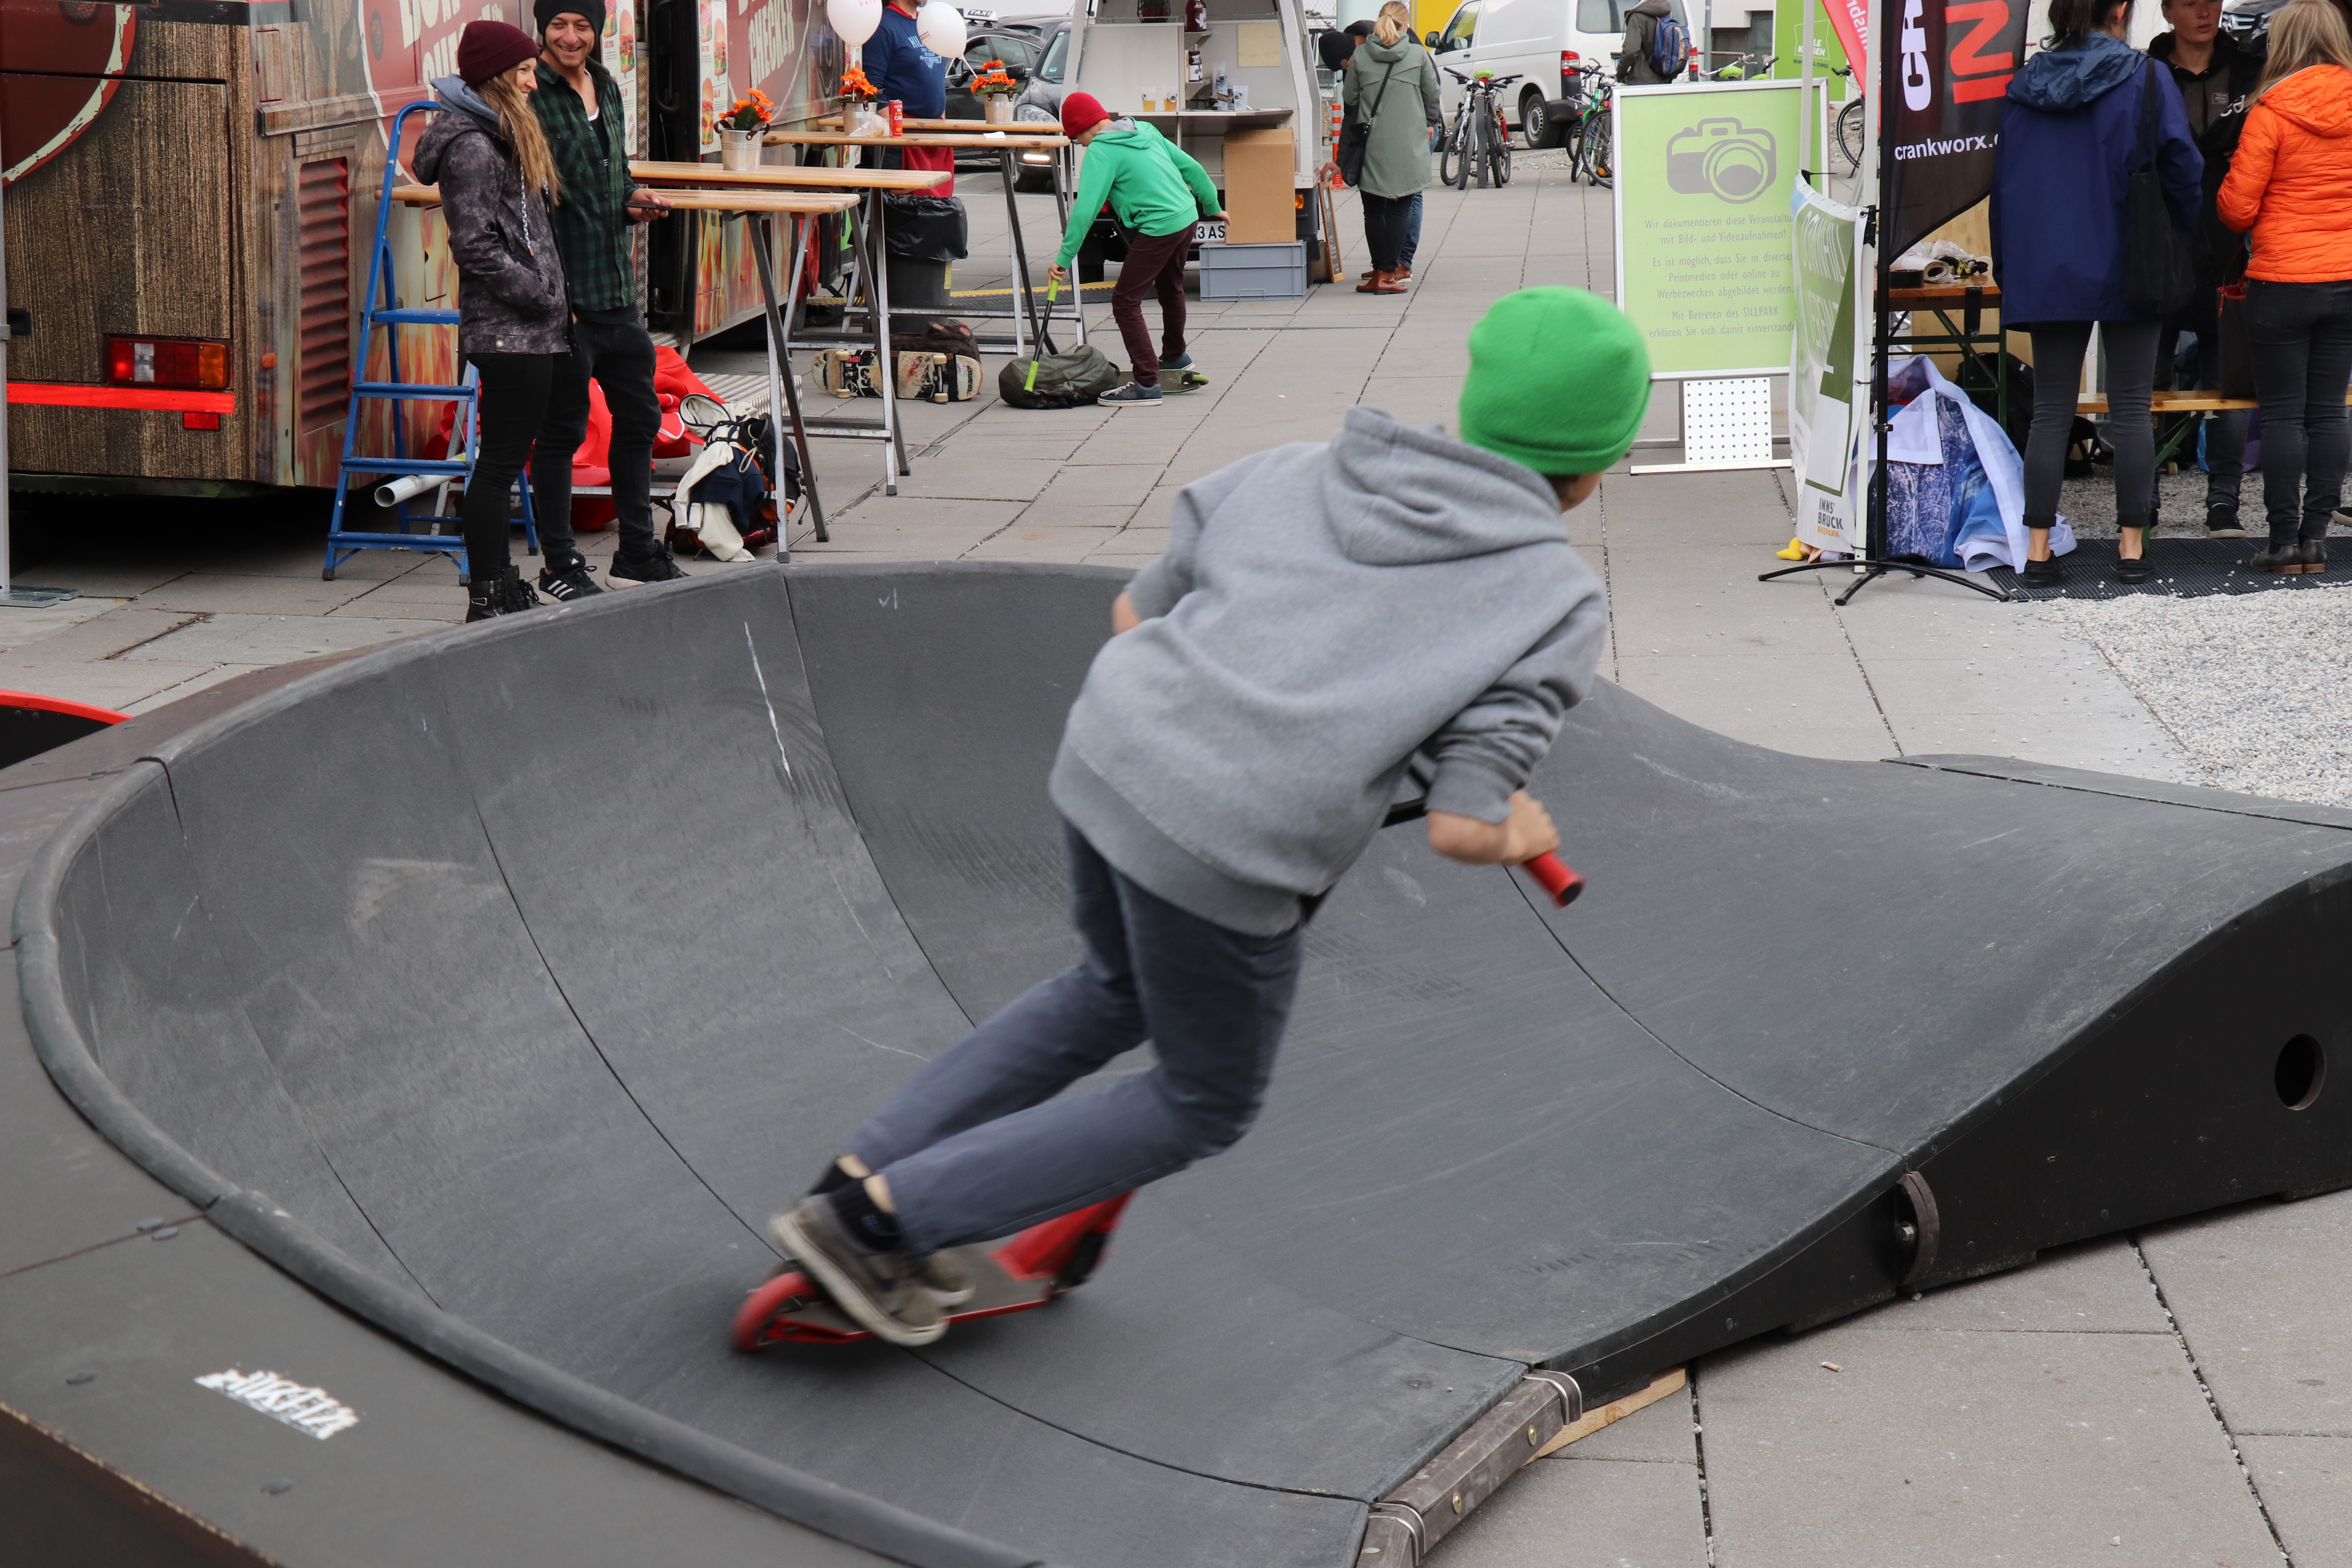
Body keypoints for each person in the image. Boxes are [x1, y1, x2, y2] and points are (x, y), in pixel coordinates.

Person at [766, 287, 1640, 1345]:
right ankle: (877, 1224)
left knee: (1110, 989)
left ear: (1475, 398)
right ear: (1596, 467)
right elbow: (1463, 826)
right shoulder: (1550, 598)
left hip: (1107, 756)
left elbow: (1136, 612)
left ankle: (863, 1173)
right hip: (1228, 844)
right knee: (1202, 1099)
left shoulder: (1305, 467)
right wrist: (1523, 834)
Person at [1990, 0, 2201, 586]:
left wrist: (2011, 264)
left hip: (2047, 265)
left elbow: (2002, 185)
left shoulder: (2022, 85)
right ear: (2121, 10)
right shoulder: (2146, 76)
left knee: (2051, 412)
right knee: (2131, 407)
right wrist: (2185, 234)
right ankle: (2132, 552)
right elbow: (2182, 166)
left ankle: (2037, 554)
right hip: (2130, 256)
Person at [414, 23, 570, 622]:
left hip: (525, 327)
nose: (535, 80)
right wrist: (538, 294)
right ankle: (487, 593)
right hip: (510, 328)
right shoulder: (474, 146)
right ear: (499, 77)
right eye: (525, 71)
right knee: (500, 465)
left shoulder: (494, 132)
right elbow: (475, 244)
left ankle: (499, 582)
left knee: (503, 461)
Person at [528, 1, 684, 597]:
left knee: (642, 416)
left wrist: (633, 199)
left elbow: (613, 176)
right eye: (560, 25)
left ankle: (638, 552)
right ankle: (559, 567)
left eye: (583, 26)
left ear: (598, 32)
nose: (571, 37)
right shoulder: (530, 93)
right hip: (565, 299)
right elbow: (529, 203)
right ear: (543, 29)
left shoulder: (607, 85)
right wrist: (550, 292)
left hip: (616, 289)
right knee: (562, 433)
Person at [2216, 0, 2352, 571]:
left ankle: (2282, 543)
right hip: (2347, 278)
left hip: (2281, 280)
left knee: (2282, 417)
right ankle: (2318, 540)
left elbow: (2237, 209)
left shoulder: (2269, 110)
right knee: (2328, 413)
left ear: (2285, 41)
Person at [2149, 0, 2262, 537]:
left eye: (2213, 1)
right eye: (2192, 2)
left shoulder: (2251, 68)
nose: (2205, 12)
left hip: (2230, 244)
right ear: (2168, 9)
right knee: (2148, 381)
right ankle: (2140, 495)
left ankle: (2224, 504)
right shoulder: (2145, 72)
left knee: (2229, 384)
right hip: (2158, 245)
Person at [1045, 93, 1221, 407]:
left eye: (1077, 139)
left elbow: (1085, 210)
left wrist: (1063, 258)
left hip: (1160, 227)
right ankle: (1175, 356)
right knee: (1171, 287)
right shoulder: (1145, 130)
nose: (1082, 146)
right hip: (1187, 217)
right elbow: (1191, 167)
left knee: (1125, 302)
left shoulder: (1101, 151)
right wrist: (1212, 204)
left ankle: (1146, 384)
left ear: (1082, 129)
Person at [1325, 16, 1432, 284]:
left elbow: (1350, 101)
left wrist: (1430, 121)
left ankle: (1394, 266)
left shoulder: (1371, 52)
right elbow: (1432, 91)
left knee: (1391, 202)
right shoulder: (1374, 56)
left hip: (1393, 134)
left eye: (1344, 64)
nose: (1346, 68)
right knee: (1393, 204)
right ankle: (1388, 268)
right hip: (1395, 138)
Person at [863, 0, 956, 191]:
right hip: (903, 142)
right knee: (907, 214)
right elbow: (872, 90)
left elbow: (936, 79)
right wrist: (898, 134)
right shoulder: (883, 26)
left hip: (935, 138)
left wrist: (940, 122)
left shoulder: (930, 24)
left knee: (939, 214)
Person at [1618, 0, 1682, 85]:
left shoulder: (1638, 17)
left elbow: (1631, 51)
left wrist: (1620, 73)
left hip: (1641, 80)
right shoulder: (1667, 15)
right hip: (1664, 80)